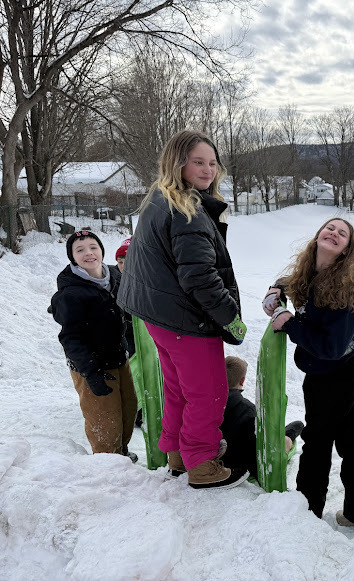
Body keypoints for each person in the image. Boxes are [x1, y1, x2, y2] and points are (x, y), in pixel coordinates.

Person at [117, 130, 249, 490]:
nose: (208, 170)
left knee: (178, 389)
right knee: (209, 393)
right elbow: (200, 279)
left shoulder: (164, 197)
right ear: (179, 163)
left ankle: (177, 453)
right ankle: (202, 464)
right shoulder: (186, 210)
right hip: (185, 319)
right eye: (198, 162)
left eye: (212, 162)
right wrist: (231, 320)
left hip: (161, 316)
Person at [262, 218, 354, 529]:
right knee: (351, 436)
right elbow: (291, 279)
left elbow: (330, 346)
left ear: (346, 251)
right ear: (318, 237)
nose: (334, 233)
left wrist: (289, 322)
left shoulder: (347, 289)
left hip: (338, 369)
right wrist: (277, 288)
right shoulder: (310, 270)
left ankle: (308, 512)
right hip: (331, 366)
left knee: (322, 439)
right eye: (330, 228)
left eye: (343, 234)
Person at [50, 230, 138, 462]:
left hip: (119, 357)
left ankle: (121, 454)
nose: (88, 253)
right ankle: (107, 464)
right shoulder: (71, 292)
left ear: (101, 250)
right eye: (80, 250)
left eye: (93, 247)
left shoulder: (113, 275)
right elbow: (71, 339)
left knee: (128, 410)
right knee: (105, 421)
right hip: (92, 366)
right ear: (72, 257)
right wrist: (91, 373)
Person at [219, 355, 305, 480]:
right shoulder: (247, 408)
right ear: (242, 381)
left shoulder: (206, 403)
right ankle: (286, 439)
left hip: (216, 457)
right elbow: (256, 444)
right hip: (240, 462)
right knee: (297, 426)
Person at [115, 237, 143, 428]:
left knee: (143, 371)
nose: (124, 265)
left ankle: (141, 408)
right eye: (120, 262)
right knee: (132, 371)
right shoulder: (114, 279)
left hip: (145, 334)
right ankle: (134, 409)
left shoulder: (147, 280)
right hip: (125, 334)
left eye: (128, 261)